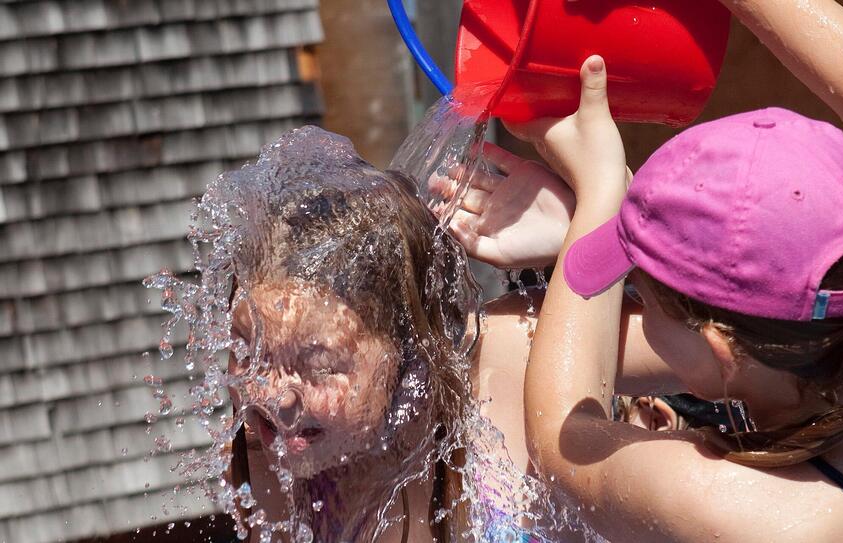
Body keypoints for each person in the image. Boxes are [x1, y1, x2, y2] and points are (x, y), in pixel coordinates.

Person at [494, 0, 843, 541]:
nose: (634, 299)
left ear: (721, 349)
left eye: (643, 296)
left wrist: (602, 188)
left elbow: (559, 438)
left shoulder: (730, 504)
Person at [220, 126, 673, 542]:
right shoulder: (269, 461)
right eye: (250, 350)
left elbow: (721, 345)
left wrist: (602, 236)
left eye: (318, 365)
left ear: (408, 346)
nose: (273, 395)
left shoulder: (511, 353)